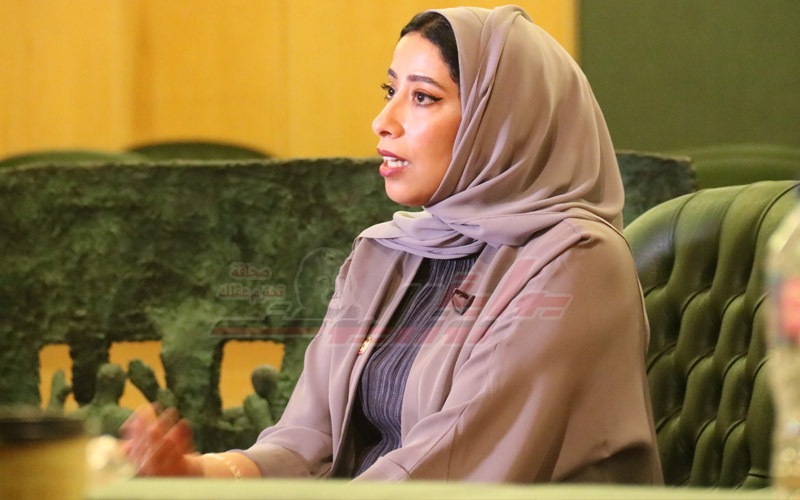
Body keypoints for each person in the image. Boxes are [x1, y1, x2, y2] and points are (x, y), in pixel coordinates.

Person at [122, 5, 663, 483]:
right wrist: (197, 473)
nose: (383, 122)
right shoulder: (386, 252)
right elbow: (307, 441)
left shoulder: (576, 260)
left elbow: (448, 469)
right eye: (390, 92)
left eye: (423, 97)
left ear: (502, 121)